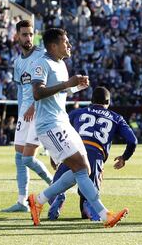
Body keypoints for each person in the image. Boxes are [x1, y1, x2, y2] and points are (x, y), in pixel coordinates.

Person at [27, 28, 128, 228]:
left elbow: (58, 93)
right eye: (66, 42)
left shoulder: (61, 63)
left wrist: (75, 87)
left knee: (84, 169)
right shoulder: (41, 63)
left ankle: (38, 201)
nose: (69, 45)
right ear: (54, 46)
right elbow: (37, 93)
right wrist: (67, 83)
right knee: (81, 168)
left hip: (61, 121)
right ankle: (104, 214)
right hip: (49, 125)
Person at [47, 86, 137, 221]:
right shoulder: (116, 118)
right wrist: (124, 157)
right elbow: (133, 140)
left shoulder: (77, 112)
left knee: (56, 187)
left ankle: (57, 198)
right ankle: (90, 209)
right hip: (95, 157)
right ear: (108, 102)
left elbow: (58, 130)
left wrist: (54, 155)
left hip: (71, 153)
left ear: (91, 100)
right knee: (89, 198)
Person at [2, 20, 53, 213]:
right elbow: (21, 90)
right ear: (17, 36)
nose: (28, 38)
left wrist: (33, 104)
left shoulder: (42, 55)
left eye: (31, 34)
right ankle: (21, 201)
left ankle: (54, 186)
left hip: (39, 111)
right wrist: (21, 111)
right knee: (18, 157)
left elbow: (48, 83)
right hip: (24, 114)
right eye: (24, 34)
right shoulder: (18, 62)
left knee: (28, 159)